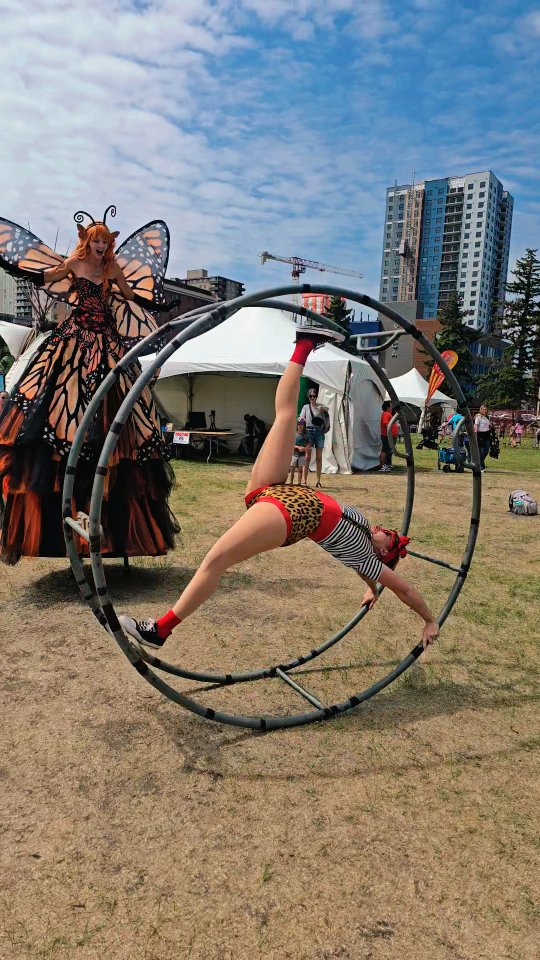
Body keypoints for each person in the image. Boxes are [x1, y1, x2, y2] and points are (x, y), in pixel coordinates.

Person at [120, 329, 440, 653]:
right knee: (286, 417)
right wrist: (371, 589)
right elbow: (371, 575)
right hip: (276, 490)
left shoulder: (367, 559)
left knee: (215, 560)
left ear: (383, 553)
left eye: (387, 535)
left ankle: (161, 630)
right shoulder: (365, 553)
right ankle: (303, 346)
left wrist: (429, 619)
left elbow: (405, 591)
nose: (382, 530)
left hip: (291, 514)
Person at [0, 207, 179, 563]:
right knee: (58, 408)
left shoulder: (111, 269)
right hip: (74, 341)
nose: (100, 245)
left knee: (124, 415)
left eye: (104, 241)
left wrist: (156, 302)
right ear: (87, 242)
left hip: (107, 343)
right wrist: (41, 272)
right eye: (95, 240)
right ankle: (64, 521)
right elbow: (48, 276)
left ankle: (107, 529)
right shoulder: (74, 264)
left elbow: (128, 295)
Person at [299, 385, 328, 488]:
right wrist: (301, 419)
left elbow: (327, 408)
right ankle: (304, 480)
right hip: (309, 432)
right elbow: (301, 417)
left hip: (319, 432)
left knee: (319, 458)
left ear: (316, 397)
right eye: (310, 396)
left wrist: (322, 408)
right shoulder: (306, 407)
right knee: (307, 457)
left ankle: (318, 481)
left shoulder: (320, 406)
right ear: (308, 397)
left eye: (314, 396)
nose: (312, 398)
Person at [379, 400, 399, 472]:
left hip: (389, 435)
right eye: (390, 405)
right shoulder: (386, 414)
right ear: (387, 407)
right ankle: (384, 465)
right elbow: (386, 424)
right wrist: (390, 433)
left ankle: (388, 464)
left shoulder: (388, 414)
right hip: (387, 436)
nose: (392, 407)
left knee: (389, 450)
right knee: (386, 450)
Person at [288, 417, 307, 484]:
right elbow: (291, 444)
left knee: (300, 469)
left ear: (304, 425)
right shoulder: (294, 434)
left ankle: (299, 483)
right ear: (296, 425)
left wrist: (305, 448)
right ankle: (291, 483)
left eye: (302, 424)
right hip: (294, 454)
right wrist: (298, 447)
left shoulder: (305, 435)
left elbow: (308, 445)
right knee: (292, 469)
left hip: (302, 455)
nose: (300, 426)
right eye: (299, 424)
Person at [473, 404, 491, 471]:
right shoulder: (478, 417)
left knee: (486, 451)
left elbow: (489, 426)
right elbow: (476, 427)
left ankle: (478, 462)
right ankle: (481, 467)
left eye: (486, 409)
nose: (484, 411)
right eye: (483, 409)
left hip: (486, 435)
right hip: (480, 435)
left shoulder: (487, 418)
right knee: (481, 452)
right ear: (480, 410)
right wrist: (475, 436)